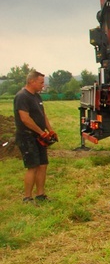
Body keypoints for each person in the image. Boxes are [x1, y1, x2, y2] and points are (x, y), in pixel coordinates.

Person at [13, 70, 56, 202]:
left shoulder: (37, 97)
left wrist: (50, 130)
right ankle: (27, 197)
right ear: (32, 81)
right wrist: (41, 132)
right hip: (27, 137)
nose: (43, 85)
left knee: (42, 165)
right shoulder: (22, 96)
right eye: (41, 82)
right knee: (33, 166)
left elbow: (43, 115)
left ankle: (40, 195)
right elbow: (25, 119)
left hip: (39, 136)